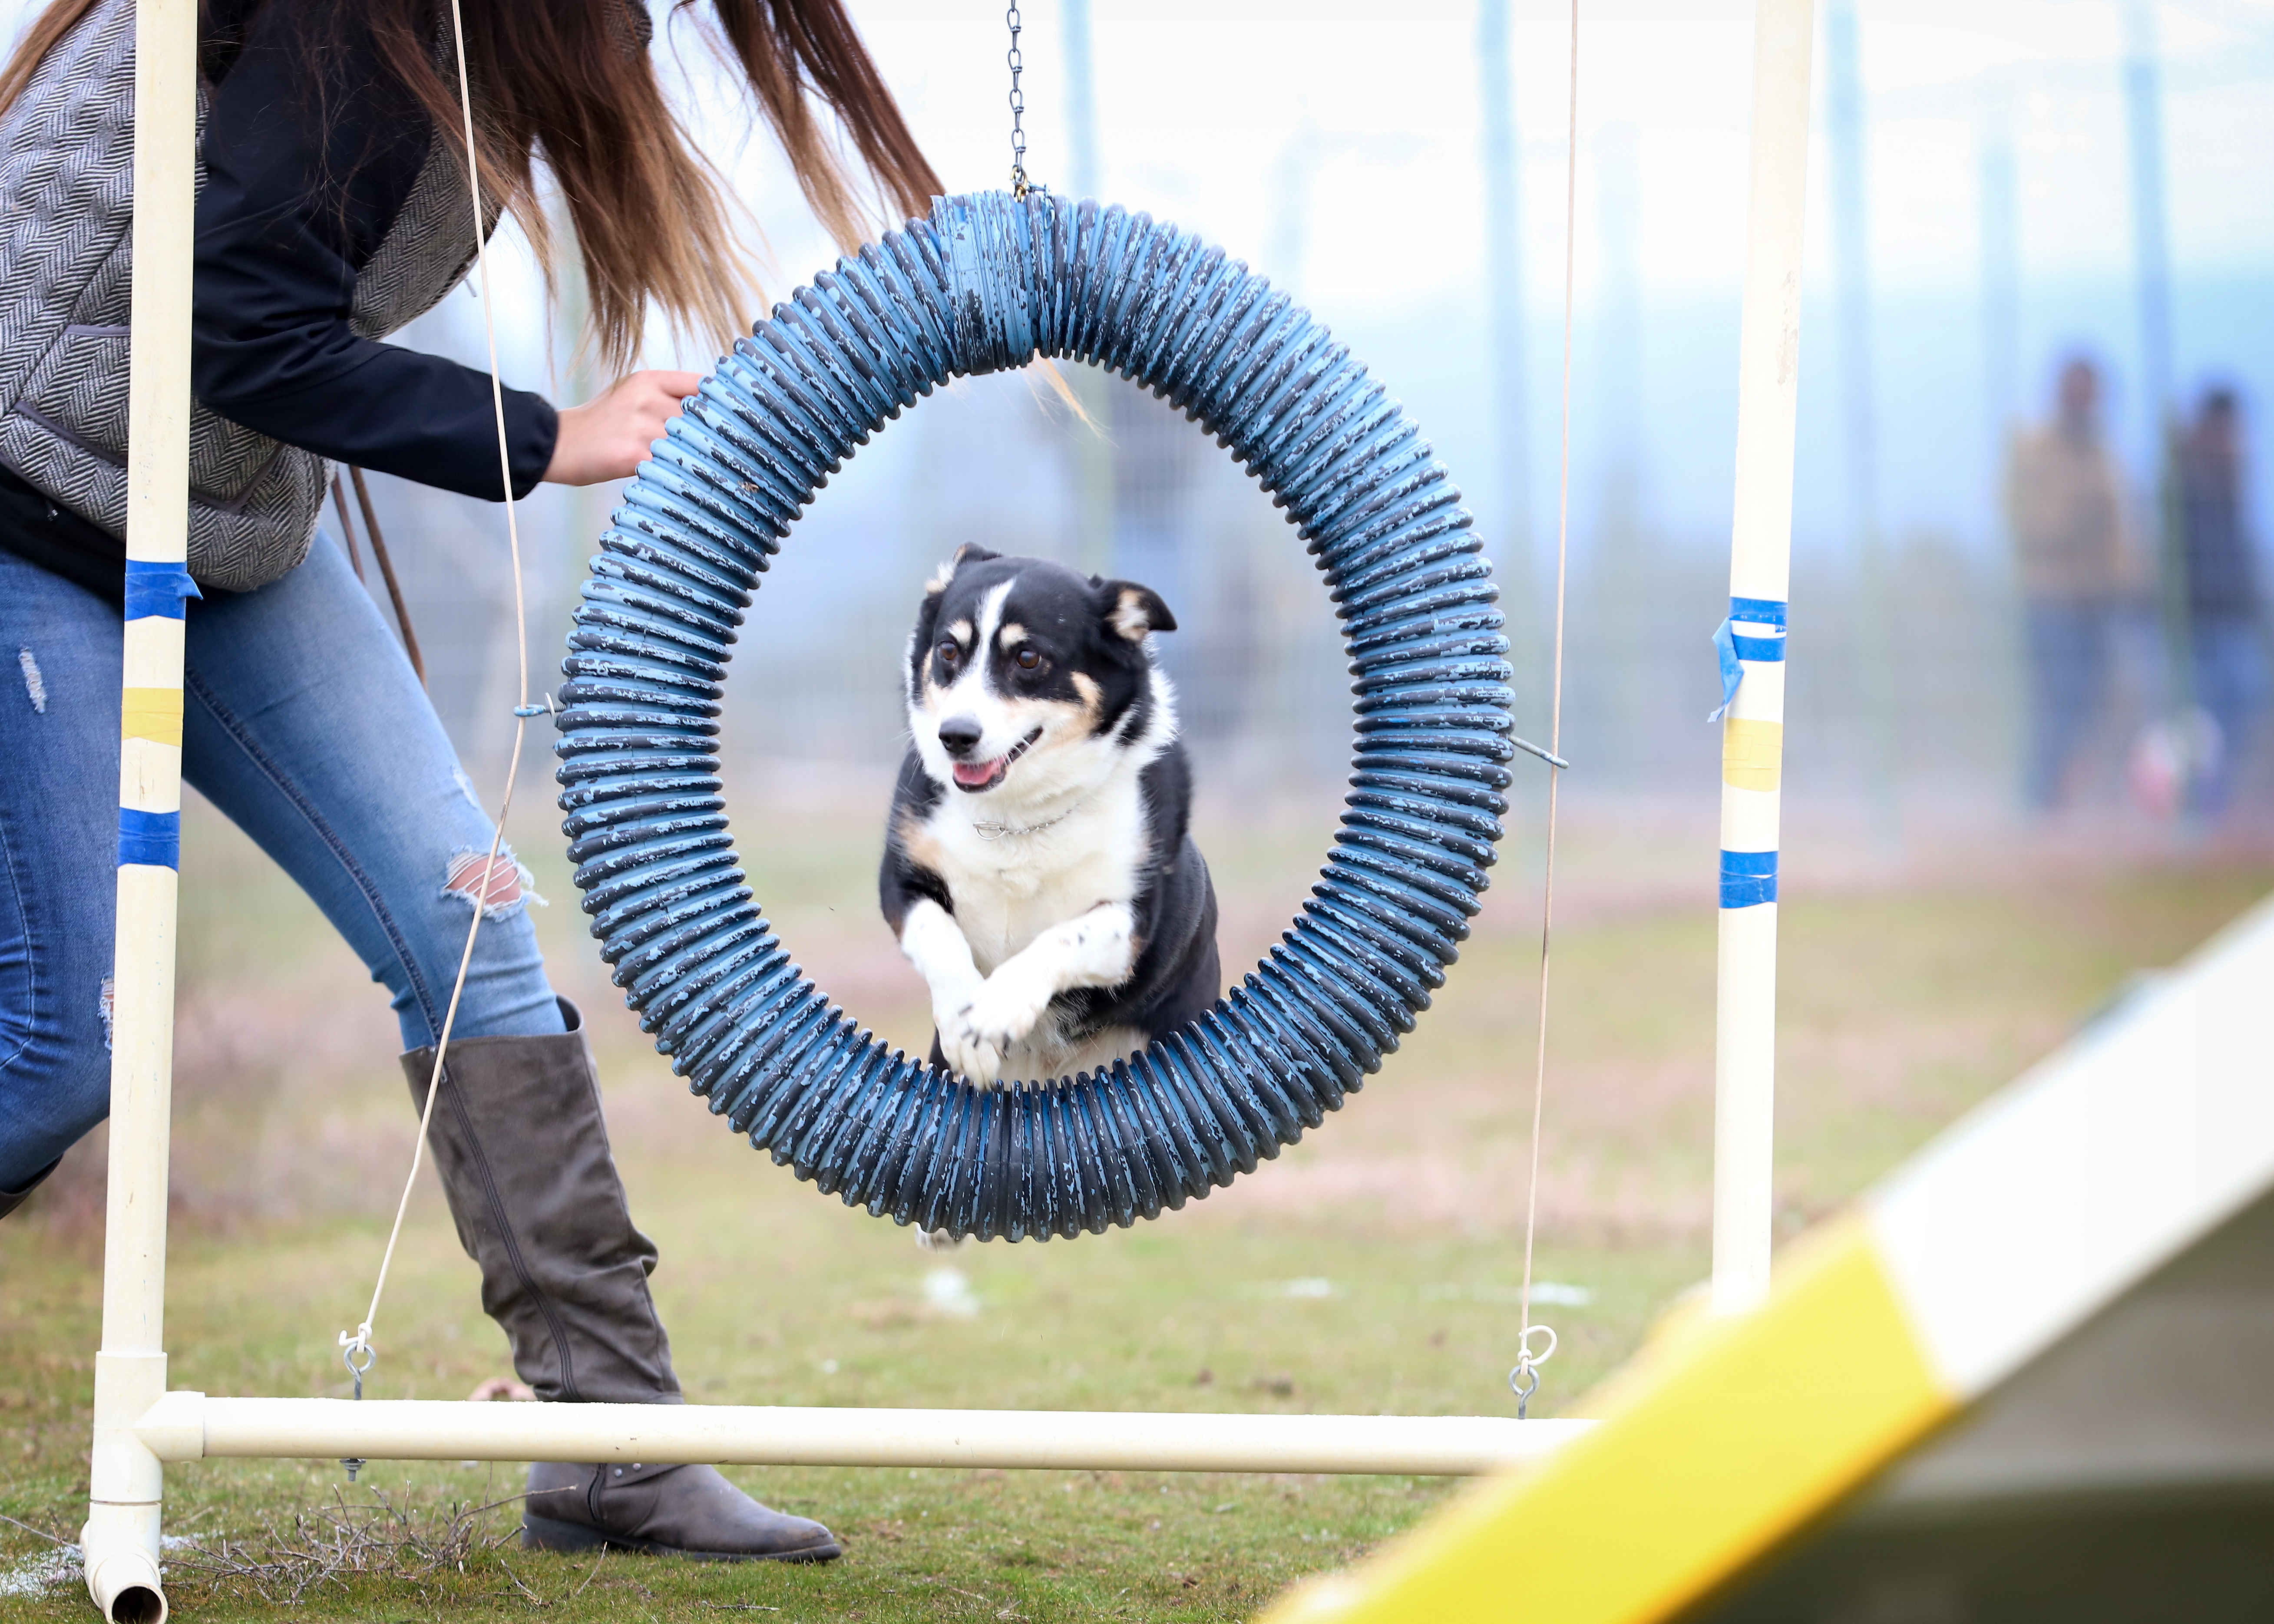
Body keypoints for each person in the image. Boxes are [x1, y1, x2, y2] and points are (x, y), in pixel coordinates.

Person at [0, 0, 939, 1562]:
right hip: (29, 502)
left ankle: (613, 1452)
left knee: (471, 931)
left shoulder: (490, 35)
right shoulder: (360, 20)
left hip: (222, 523)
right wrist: (545, 436)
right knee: (67, 1046)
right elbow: (245, 320)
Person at [2006, 356, 2140, 811]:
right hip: (2050, 600)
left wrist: (2128, 577)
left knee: (2094, 706)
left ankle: (2068, 800)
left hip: (2100, 601)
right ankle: (2037, 802)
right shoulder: (2034, 449)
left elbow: (2121, 528)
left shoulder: (2104, 452)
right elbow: (2027, 518)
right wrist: (2076, 520)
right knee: (2057, 704)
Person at [2175, 386, 2265, 818]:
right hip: (2195, 620)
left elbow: (2240, 551)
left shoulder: (2232, 479)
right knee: (2199, 718)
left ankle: (2214, 801)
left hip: (2232, 615)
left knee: (2241, 703)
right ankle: (2194, 804)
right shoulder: (2180, 481)